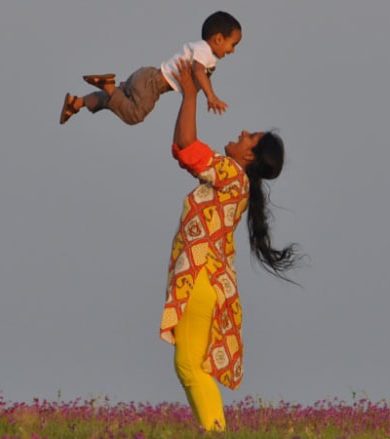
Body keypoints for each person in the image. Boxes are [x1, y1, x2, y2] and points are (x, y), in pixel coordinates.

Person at [158, 58, 301, 432]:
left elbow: (187, 146)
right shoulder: (234, 181)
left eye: (248, 137)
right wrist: (187, 96)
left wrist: (189, 93)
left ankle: (216, 432)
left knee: (189, 366)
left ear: (249, 156)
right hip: (206, 282)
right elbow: (182, 149)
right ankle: (212, 430)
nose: (241, 133)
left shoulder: (231, 174)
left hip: (202, 281)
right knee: (189, 365)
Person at [59, 11, 241, 125]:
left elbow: (204, 77)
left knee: (116, 99)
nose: (232, 51)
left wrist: (210, 93)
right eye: (233, 44)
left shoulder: (204, 55)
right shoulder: (205, 51)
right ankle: (107, 86)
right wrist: (211, 97)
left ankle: (77, 103)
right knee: (135, 115)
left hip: (146, 75)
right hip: (152, 84)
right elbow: (199, 72)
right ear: (218, 38)